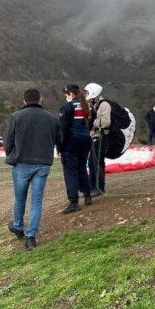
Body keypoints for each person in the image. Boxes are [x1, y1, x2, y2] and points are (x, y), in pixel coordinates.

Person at [5, 88, 62, 251]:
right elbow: (60, 140)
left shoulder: (16, 116)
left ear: (24, 101)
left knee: (20, 198)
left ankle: (18, 226)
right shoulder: (51, 118)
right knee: (36, 201)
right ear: (40, 99)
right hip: (43, 163)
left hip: (21, 163)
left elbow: (8, 141)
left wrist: (11, 154)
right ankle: (31, 237)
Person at [59, 83, 93, 213]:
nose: (65, 97)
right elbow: (90, 124)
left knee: (70, 171)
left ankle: (73, 202)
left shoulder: (67, 107)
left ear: (70, 93)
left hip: (71, 143)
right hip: (85, 140)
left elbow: (63, 129)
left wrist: (60, 147)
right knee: (82, 168)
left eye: (66, 95)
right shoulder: (86, 105)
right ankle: (87, 195)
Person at [86, 82, 111, 196]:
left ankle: (99, 187)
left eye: (88, 93)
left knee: (97, 162)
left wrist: (93, 121)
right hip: (94, 136)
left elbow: (106, 122)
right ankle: (92, 187)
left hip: (101, 137)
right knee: (91, 163)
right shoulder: (94, 105)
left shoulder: (104, 105)